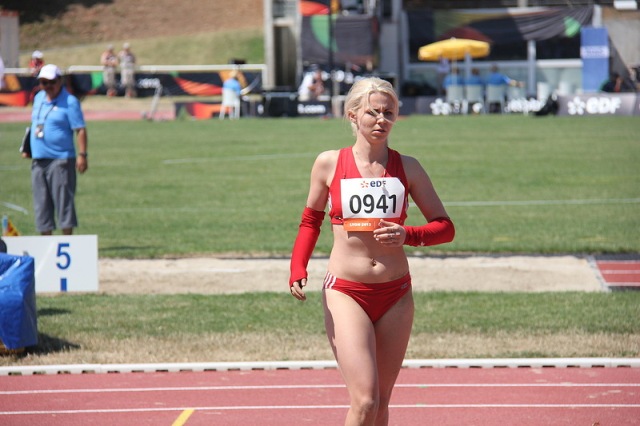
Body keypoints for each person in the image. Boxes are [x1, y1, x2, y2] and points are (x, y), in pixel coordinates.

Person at [288, 77, 455, 425]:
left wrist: (408, 234)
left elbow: (445, 227)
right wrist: (297, 267)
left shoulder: (408, 167)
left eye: (388, 113)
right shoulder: (329, 163)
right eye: (373, 112)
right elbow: (310, 221)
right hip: (346, 291)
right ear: (353, 115)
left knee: (381, 403)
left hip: (396, 293)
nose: (381, 120)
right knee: (365, 400)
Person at [26, 64, 88, 236]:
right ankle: (46, 243)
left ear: (60, 81)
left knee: (64, 204)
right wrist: (28, 147)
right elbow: (36, 125)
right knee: (41, 206)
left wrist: (82, 155)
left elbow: (80, 129)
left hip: (61, 159)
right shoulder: (38, 98)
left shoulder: (70, 102)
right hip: (38, 159)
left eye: (51, 82)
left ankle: (67, 243)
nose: (47, 86)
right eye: (43, 82)